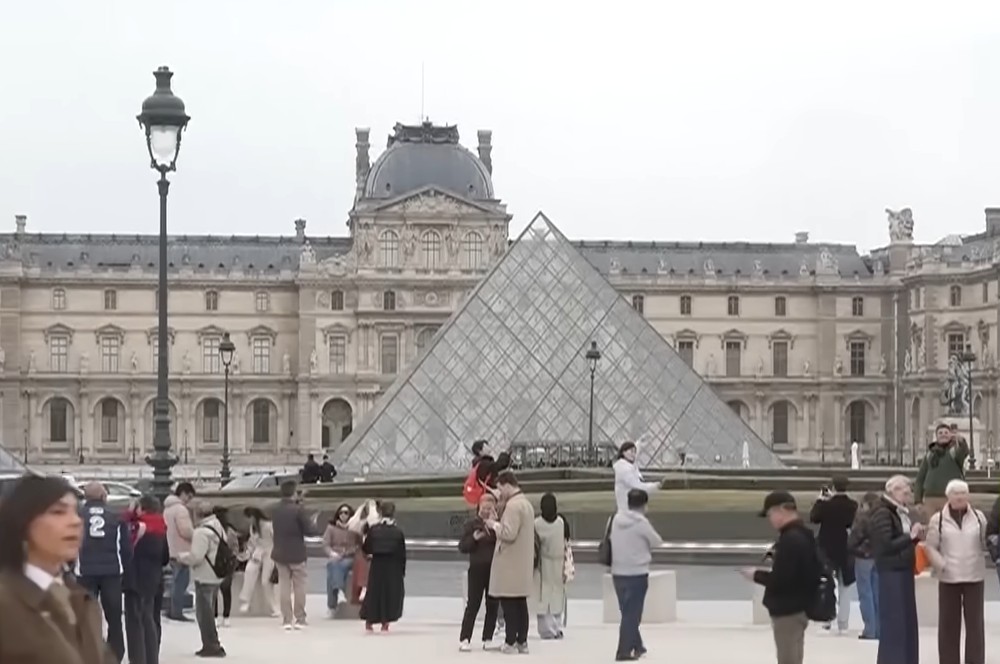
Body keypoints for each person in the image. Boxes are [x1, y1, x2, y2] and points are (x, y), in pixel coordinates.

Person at [0, 475, 112, 664]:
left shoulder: (82, 600)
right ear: (23, 523)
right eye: (58, 512)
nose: (75, 521)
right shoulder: (7, 603)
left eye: (76, 511)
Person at [740, 490, 821, 664]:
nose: (770, 520)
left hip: (788, 610)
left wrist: (756, 575)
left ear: (781, 510)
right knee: (794, 656)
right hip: (800, 605)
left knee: (788, 658)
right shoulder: (804, 535)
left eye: (770, 514)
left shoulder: (790, 540)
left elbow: (782, 579)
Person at [923, 479, 986, 664]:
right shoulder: (938, 519)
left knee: (975, 625)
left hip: (974, 574)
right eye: (956, 493)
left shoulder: (979, 517)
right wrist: (941, 564)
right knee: (949, 624)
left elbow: (985, 541)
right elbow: (930, 546)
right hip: (949, 576)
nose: (960, 497)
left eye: (963, 493)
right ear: (948, 497)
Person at [870, 474, 924, 664]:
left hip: (903, 569)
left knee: (906, 621)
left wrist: (915, 537)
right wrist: (911, 535)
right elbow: (885, 544)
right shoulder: (883, 513)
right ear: (894, 491)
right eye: (906, 489)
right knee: (895, 622)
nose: (909, 492)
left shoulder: (900, 512)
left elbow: (901, 541)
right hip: (891, 571)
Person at [76, 481, 131, 663]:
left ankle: (87, 653)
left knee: (85, 618)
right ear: (103, 496)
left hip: (84, 571)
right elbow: (125, 548)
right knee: (114, 617)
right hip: (112, 572)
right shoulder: (115, 517)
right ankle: (115, 654)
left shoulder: (78, 517)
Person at [610, 489, 663, 661]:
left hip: (617, 572)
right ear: (644, 505)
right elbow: (657, 541)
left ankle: (637, 645)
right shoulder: (641, 523)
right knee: (632, 614)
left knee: (627, 611)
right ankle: (623, 651)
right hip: (636, 572)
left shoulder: (615, 519)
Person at [487, 471, 535, 654]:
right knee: (520, 603)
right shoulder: (525, 503)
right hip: (521, 562)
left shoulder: (513, 506)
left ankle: (510, 641)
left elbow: (508, 533)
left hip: (510, 562)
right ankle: (522, 641)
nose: (500, 493)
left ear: (507, 485)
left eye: (500, 488)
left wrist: (494, 525)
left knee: (509, 604)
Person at [808, 475, 857, 634]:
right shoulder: (852, 505)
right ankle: (843, 621)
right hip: (845, 547)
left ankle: (827, 616)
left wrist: (820, 500)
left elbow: (813, 518)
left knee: (827, 583)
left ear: (833, 488)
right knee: (845, 586)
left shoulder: (826, 505)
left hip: (826, 547)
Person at [123, 494, 168, 664]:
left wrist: (129, 512)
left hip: (136, 579)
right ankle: (152, 658)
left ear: (141, 508)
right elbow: (165, 557)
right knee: (152, 619)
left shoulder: (136, 527)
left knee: (136, 621)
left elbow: (126, 546)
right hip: (155, 579)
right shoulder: (161, 526)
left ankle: (139, 658)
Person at [179, 500, 226, 658]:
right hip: (216, 575)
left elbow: (196, 557)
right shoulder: (217, 525)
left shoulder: (201, 532)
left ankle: (211, 645)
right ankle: (213, 643)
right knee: (209, 611)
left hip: (205, 575)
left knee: (204, 614)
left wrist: (182, 557)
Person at [458, 493, 500, 651]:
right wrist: (474, 539)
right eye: (484, 508)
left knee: (493, 604)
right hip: (476, 568)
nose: (486, 511)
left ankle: (488, 638)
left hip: (494, 568)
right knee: (473, 604)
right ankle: (465, 637)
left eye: (490, 508)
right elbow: (462, 547)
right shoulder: (471, 525)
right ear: (478, 508)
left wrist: (495, 525)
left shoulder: (497, 525)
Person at [271, 479, 312, 630]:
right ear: (294, 492)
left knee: (284, 586)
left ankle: (287, 619)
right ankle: (300, 618)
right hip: (296, 552)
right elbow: (310, 530)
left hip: (279, 552)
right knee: (299, 585)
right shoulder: (298, 510)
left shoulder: (275, 509)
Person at [360, 501, 407, 632]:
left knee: (374, 591)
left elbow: (366, 547)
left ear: (380, 513)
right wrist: (402, 570)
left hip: (377, 564)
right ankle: (385, 621)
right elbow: (402, 553)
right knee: (389, 592)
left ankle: (369, 620)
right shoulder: (397, 532)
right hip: (393, 566)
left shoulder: (374, 530)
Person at [533, 492, 567, 639]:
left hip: (543, 564)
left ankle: (546, 629)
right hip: (559, 563)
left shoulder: (536, 524)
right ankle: (557, 626)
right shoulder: (561, 522)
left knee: (543, 596)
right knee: (557, 595)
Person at [915, 423, 969, 517]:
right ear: (936, 436)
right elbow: (920, 478)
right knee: (932, 526)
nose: (943, 434)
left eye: (946, 432)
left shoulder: (954, 452)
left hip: (951, 498)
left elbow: (963, 451)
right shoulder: (929, 454)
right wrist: (918, 500)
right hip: (930, 498)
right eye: (940, 433)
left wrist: (961, 441)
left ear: (950, 435)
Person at [847, 491, 881, 640]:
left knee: (865, 593)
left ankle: (870, 629)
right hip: (878, 556)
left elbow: (854, 537)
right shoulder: (882, 516)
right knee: (876, 593)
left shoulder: (863, 518)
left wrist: (852, 548)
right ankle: (879, 629)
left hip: (863, 556)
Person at [163, 481, 196, 622]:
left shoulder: (167, 509)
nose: (189, 500)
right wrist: (196, 534)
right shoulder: (181, 510)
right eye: (189, 496)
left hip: (171, 548)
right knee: (181, 581)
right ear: (183, 494)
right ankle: (176, 611)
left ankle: (173, 609)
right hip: (181, 550)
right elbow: (186, 531)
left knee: (176, 581)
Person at [322, 503, 361, 616]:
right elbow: (325, 544)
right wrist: (332, 553)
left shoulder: (355, 528)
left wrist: (347, 552)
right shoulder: (331, 528)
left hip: (350, 557)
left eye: (346, 513)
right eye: (341, 513)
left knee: (339, 566)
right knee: (332, 566)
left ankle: (337, 589)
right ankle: (332, 603)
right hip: (335, 556)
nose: (343, 515)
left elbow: (360, 545)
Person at [239, 506, 277, 616]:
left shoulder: (268, 525)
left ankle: (274, 607)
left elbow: (277, 540)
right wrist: (247, 553)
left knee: (265, 581)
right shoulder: (253, 528)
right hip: (258, 552)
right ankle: (246, 600)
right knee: (249, 570)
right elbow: (252, 543)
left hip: (270, 552)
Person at [612, 442, 661, 514]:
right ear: (624, 452)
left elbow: (636, 457)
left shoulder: (627, 465)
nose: (633, 454)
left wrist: (640, 443)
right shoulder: (624, 469)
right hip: (627, 508)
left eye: (634, 452)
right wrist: (654, 486)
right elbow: (637, 485)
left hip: (628, 507)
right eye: (631, 451)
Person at [211, 507, 239, 628]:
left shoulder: (211, 529)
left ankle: (215, 616)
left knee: (214, 592)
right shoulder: (230, 531)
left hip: (213, 563)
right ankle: (226, 617)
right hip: (227, 563)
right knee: (226, 591)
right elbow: (235, 547)